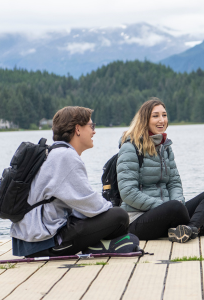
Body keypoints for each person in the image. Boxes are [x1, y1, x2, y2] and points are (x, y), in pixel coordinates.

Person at [10, 106, 136, 257]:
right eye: (91, 126)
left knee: (110, 217)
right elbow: (91, 205)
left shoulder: (52, 153)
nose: (94, 131)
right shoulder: (66, 157)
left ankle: (99, 245)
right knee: (120, 217)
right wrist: (111, 209)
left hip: (30, 241)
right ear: (77, 129)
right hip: (45, 242)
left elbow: (79, 205)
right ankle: (99, 246)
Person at [116, 97, 204, 243]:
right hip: (138, 219)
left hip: (168, 211)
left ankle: (190, 229)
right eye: (155, 116)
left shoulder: (164, 147)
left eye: (164, 115)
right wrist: (165, 206)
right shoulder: (130, 148)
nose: (161, 120)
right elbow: (128, 193)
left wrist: (178, 201)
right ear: (144, 120)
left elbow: (174, 183)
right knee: (176, 207)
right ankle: (200, 227)